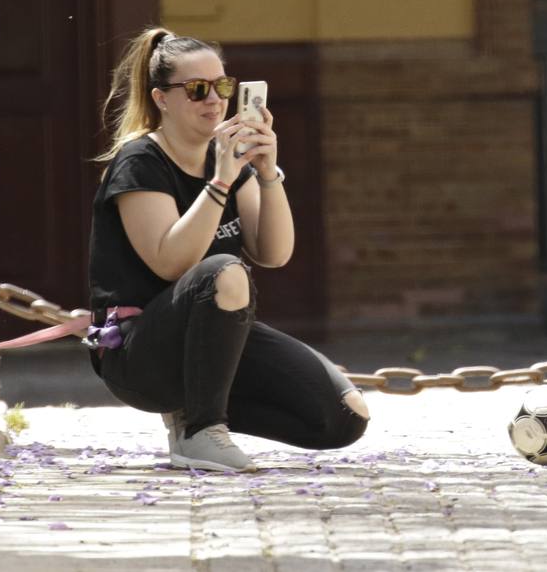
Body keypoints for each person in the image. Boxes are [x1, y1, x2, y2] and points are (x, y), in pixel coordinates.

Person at [86, 27, 370, 472]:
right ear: (162, 99)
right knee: (224, 271)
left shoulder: (232, 161)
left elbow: (274, 253)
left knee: (344, 417)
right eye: (197, 90)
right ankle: (202, 430)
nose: (215, 101)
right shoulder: (140, 163)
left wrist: (267, 171)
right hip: (140, 355)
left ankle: (194, 410)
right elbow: (170, 262)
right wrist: (219, 180)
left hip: (211, 342)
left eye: (222, 86)